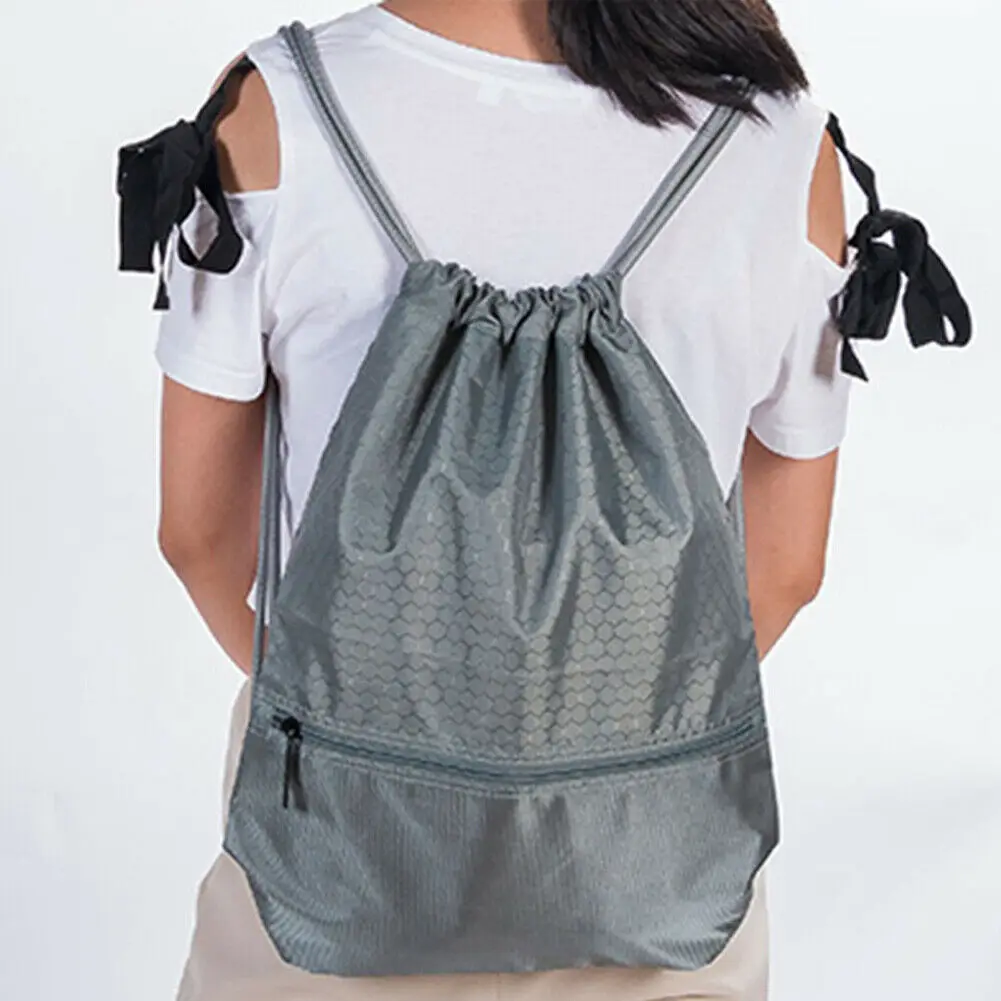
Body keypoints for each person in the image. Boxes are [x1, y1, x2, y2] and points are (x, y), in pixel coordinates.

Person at [150, 2, 855, 998]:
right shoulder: (782, 141)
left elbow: (197, 533)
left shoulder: (276, 106)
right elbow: (784, 569)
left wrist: (359, 726)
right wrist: (593, 738)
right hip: (654, 860)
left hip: (327, 860)